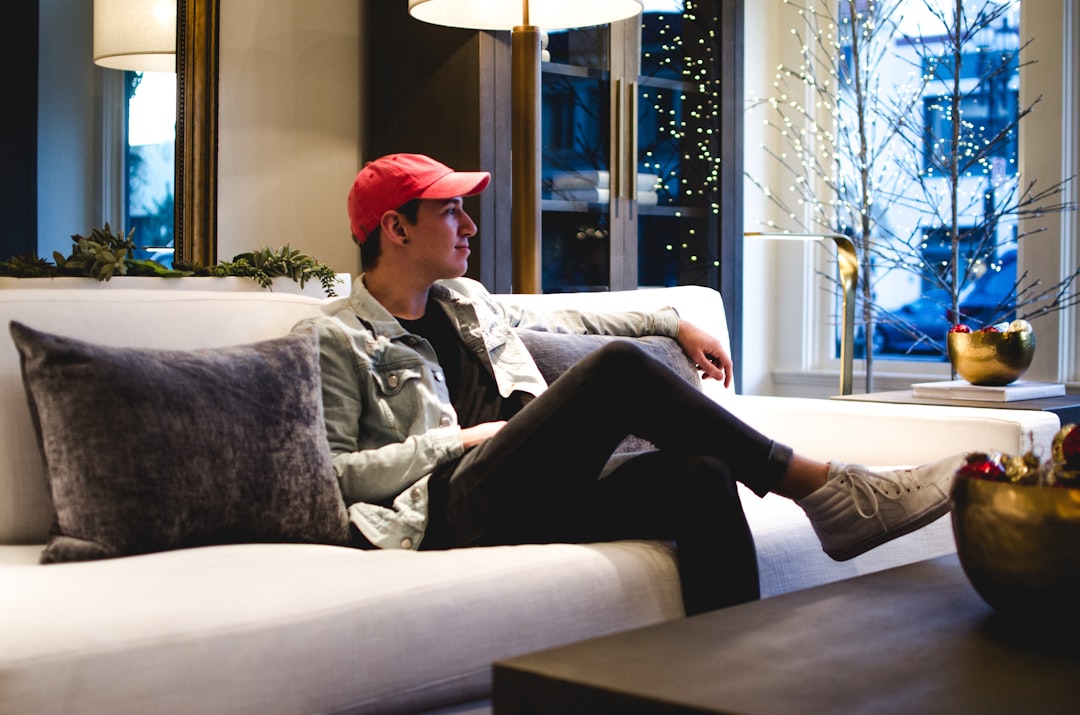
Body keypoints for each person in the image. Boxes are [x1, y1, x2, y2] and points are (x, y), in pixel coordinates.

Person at [295, 153, 963, 615]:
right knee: (615, 368)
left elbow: (573, 315)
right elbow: (335, 475)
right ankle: (825, 487)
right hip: (452, 505)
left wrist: (674, 321)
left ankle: (725, 679)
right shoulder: (339, 335)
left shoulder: (467, 299)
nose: (469, 225)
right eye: (450, 211)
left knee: (699, 472)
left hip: (541, 483)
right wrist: (458, 439)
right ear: (395, 226)